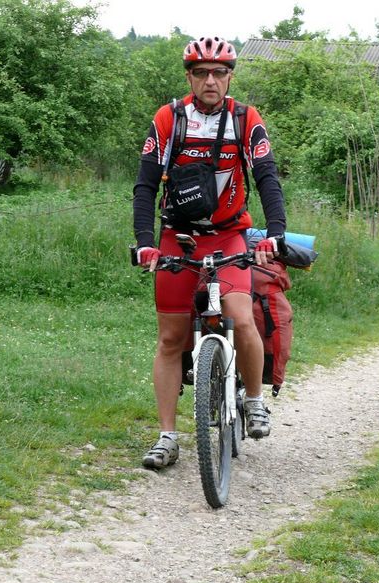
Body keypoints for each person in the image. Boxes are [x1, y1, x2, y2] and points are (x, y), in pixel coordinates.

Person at [132, 36, 287, 469]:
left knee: (240, 315)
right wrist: (145, 241)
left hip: (228, 236)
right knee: (169, 339)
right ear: (189, 77)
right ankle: (167, 436)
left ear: (230, 76)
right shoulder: (170, 119)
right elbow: (145, 185)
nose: (210, 81)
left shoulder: (245, 119)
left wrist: (275, 233)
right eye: (200, 72)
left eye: (219, 72)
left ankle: (254, 399)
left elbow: (267, 178)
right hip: (177, 239)